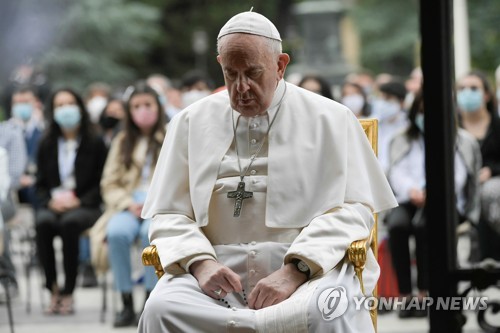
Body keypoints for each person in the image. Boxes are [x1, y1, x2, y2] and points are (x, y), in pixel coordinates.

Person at [138, 11, 397, 333]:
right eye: (230, 74)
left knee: (329, 311)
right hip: (213, 271)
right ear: (220, 63)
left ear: (280, 65)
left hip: (309, 269)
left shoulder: (331, 118)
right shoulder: (189, 123)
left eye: (253, 73)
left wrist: (297, 269)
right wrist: (201, 264)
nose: (241, 87)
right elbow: (167, 213)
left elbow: (355, 209)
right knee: (161, 309)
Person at [385, 88, 481, 318]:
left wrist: (433, 191)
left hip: (445, 200)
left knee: (424, 227)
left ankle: (426, 293)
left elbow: (459, 175)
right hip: (408, 198)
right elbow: (396, 171)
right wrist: (412, 190)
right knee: (397, 227)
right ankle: (406, 294)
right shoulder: (402, 138)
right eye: (421, 110)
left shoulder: (461, 140)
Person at [90, 82, 166, 327]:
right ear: (128, 111)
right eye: (136, 106)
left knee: (150, 236)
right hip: (127, 204)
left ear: (158, 107)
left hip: (159, 205)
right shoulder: (122, 140)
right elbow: (109, 183)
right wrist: (127, 203)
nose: (143, 110)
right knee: (116, 233)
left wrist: (153, 203)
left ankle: (149, 300)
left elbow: (179, 178)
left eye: (148, 105)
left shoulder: (171, 135)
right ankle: (125, 302)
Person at [35, 88, 107, 315]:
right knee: (43, 223)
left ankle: (69, 291)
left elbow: (102, 182)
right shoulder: (47, 142)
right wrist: (49, 201)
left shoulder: (94, 141)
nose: (65, 109)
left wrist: (79, 201)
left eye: (70, 104)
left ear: (79, 107)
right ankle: (53, 288)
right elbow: (39, 184)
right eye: (59, 105)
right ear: (53, 111)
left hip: (85, 206)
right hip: (54, 205)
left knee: (70, 224)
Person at [456, 70, 500, 261]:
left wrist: (491, 171)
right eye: (462, 88)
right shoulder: (452, 127)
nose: (467, 93)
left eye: (474, 88)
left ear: (487, 94)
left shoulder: (497, 126)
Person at [371, 80, 409, 174]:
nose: (383, 102)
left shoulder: (409, 127)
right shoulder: (370, 125)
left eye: (388, 98)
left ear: (401, 102)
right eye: (381, 97)